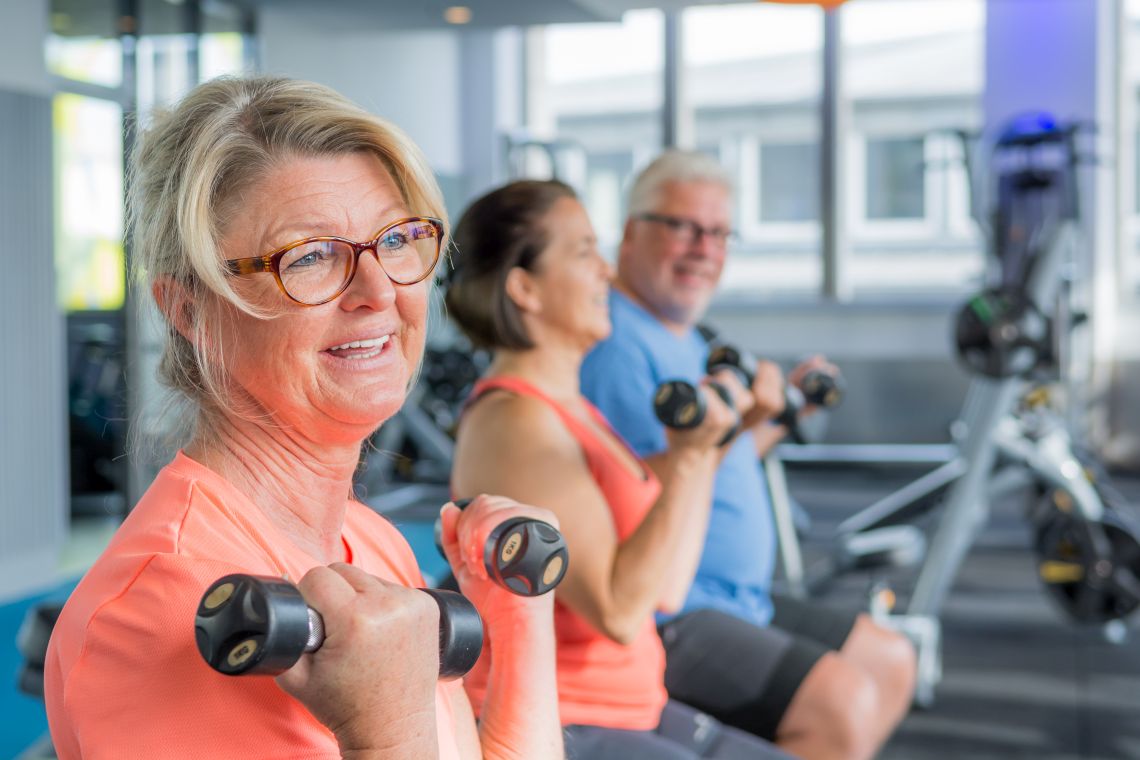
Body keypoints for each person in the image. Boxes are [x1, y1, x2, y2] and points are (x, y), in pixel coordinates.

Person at [44, 76, 563, 760]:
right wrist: (384, 734)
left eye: (398, 240)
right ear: (190, 311)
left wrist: (520, 620)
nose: (380, 292)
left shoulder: (370, 544)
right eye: (311, 256)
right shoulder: (164, 612)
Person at [580, 148, 917, 760]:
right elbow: (645, 486)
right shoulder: (618, 345)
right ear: (631, 233)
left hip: (735, 595)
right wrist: (736, 428)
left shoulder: (683, 338)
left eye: (717, 233)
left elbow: (710, 460)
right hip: (672, 609)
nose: (704, 248)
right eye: (683, 227)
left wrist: (773, 422)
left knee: (891, 659)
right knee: (839, 703)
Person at [444, 179, 791, 759]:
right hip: (564, 721)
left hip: (630, 704)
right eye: (584, 252)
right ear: (524, 287)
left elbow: (667, 583)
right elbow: (620, 612)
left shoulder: (573, 411)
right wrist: (688, 459)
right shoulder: (516, 421)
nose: (606, 272)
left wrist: (704, 446)